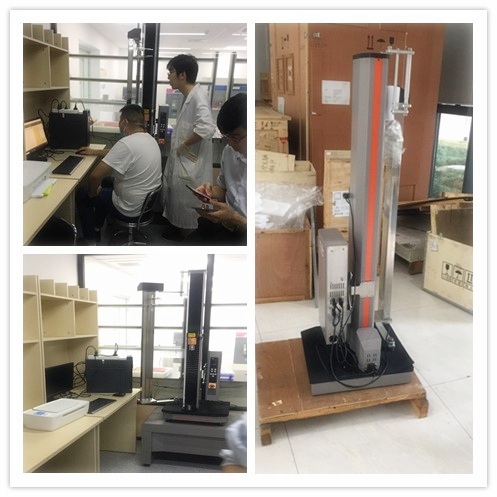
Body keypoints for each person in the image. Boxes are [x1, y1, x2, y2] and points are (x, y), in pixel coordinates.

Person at [75, 104, 162, 244]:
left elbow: (95, 176)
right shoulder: (150, 140)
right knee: (106, 182)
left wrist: (92, 194)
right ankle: (97, 226)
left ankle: (90, 239)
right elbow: (120, 153)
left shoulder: (127, 143)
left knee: (82, 194)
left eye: (119, 121)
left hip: (129, 209)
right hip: (145, 205)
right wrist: (95, 152)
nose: (119, 125)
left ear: (125, 122)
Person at [161, 54, 217, 240]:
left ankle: (188, 238)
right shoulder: (188, 97)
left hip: (191, 165)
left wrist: (185, 144)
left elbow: (206, 127)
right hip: (184, 162)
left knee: (187, 205)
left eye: (171, 72)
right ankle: (177, 231)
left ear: (182, 75)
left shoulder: (198, 97)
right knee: (177, 200)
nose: (168, 76)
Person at [186, 92, 247, 246]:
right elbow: (223, 189)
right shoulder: (229, 152)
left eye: (236, 137)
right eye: (227, 137)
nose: (231, 143)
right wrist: (210, 192)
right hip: (224, 226)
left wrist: (234, 217)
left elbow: (268, 225)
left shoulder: (267, 162)